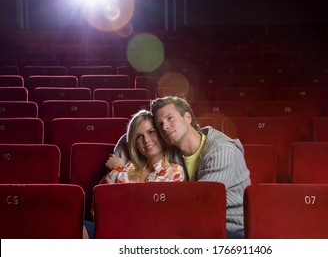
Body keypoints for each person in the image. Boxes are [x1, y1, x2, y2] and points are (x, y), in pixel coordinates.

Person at [150, 96, 251, 239]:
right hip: (195, 225)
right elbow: (135, 136)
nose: (165, 127)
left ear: (187, 117)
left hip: (230, 229)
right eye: (160, 125)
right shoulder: (173, 152)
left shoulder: (222, 150)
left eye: (170, 118)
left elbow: (200, 201)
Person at [83, 109, 185, 239]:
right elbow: (98, 202)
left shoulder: (174, 171)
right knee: (73, 226)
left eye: (151, 132)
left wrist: (119, 170)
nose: (146, 140)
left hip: (144, 235)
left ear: (161, 134)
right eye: (139, 136)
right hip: (110, 229)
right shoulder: (129, 165)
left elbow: (146, 211)